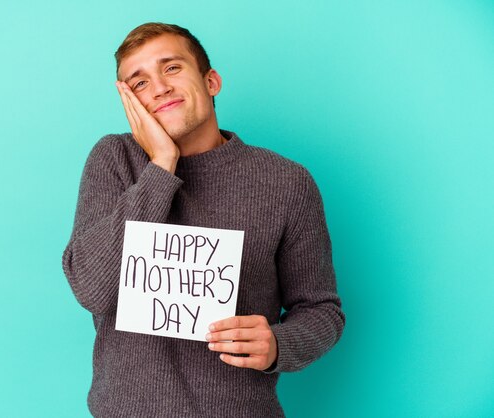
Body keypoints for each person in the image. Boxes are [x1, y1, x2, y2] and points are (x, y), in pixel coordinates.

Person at [62, 22, 345, 417]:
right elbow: (92, 289)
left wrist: (279, 344)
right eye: (139, 83)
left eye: (172, 68)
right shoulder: (115, 161)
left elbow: (321, 310)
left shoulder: (286, 182)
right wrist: (162, 167)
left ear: (211, 81)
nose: (158, 87)